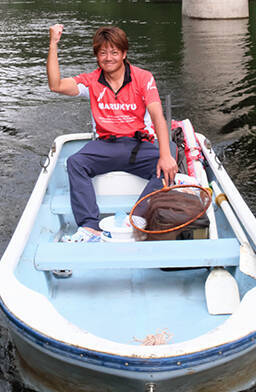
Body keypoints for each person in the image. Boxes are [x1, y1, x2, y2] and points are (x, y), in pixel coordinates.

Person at [47, 24, 178, 242]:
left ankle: (136, 220)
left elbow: (157, 116)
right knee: (75, 163)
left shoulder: (143, 78)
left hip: (138, 145)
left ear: (124, 53)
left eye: (114, 52)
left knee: (168, 166)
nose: (108, 58)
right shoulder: (91, 81)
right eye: (103, 53)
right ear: (97, 56)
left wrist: (165, 155)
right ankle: (89, 227)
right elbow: (56, 85)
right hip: (105, 145)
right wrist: (53, 43)